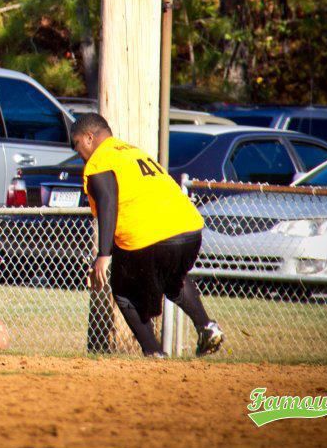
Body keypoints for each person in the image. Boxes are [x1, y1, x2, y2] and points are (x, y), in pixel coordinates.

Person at [70, 113, 224, 357]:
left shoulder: (100, 160)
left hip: (151, 235)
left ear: (89, 137)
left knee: (123, 293)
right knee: (173, 281)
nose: (76, 150)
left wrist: (103, 254)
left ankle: (154, 353)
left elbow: (108, 201)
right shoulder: (132, 152)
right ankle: (207, 327)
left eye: (76, 143)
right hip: (189, 229)